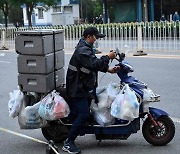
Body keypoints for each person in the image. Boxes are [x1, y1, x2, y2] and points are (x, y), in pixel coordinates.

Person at [62, 27, 117, 154]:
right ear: (88, 36)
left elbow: (90, 65)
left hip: (82, 86)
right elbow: (93, 64)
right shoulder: (82, 50)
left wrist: (109, 70)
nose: (96, 40)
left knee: (90, 106)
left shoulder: (86, 48)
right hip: (77, 88)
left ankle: (82, 128)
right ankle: (68, 143)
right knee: (84, 114)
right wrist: (108, 57)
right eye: (95, 37)